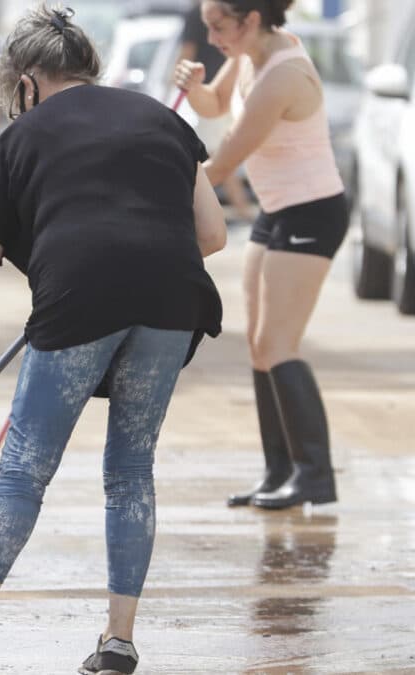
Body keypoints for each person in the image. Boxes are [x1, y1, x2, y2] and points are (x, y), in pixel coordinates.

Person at [0, 5, 225, 674]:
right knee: (131, 468)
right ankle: (119, 642)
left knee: (24, 467)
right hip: (173, 297)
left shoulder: (19, 137)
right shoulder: (163, 120)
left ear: (27, 81)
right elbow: (213, 235)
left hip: (81, 295)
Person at [175, 0, 344, 510]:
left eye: (219, 27)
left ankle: (314, 475)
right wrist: (194, 87)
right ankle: (279, 472)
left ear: (251, 19)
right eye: (207, 27)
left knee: (278, 343)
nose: (212, 37)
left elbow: (224, 161)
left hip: (312, 213)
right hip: (277, 210)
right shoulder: (248, 53)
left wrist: (153, 194)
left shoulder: (282, 75)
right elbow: (212, 105)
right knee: (258, 344)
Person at [178, 0, 255, 223]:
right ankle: (240, 208)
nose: (213, 37)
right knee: (213, 153)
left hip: (205, 90)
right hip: (212, 90)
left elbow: (186, 53)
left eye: (217, 29)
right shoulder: (220, 11)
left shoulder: (197, 13)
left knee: (214, 155)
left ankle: (239, 208)